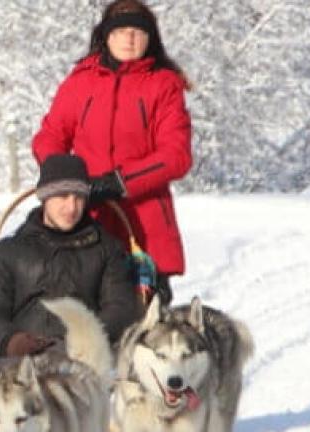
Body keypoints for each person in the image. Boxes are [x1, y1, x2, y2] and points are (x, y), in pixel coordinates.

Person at [32, 0, 192, 305]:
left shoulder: (164, 85)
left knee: (143, 329)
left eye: (137, 31)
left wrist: (119, 182)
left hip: (146, 223)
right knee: (81, 321)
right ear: (106, 36)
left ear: (150, 38)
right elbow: (50, 135)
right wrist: (63, 176)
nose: (129, 38)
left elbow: (176, 155)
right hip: (85, 213)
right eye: (121, 31)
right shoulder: (80, 81)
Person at [0, 154, 140, 358]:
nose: (71, 207)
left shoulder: (107, 249)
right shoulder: (10, 250)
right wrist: (11, 342)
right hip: (21, 363)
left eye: (79, 197)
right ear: (45, 197)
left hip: (84, 360)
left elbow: (120, 309)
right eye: (63, 196)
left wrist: (86, 339)